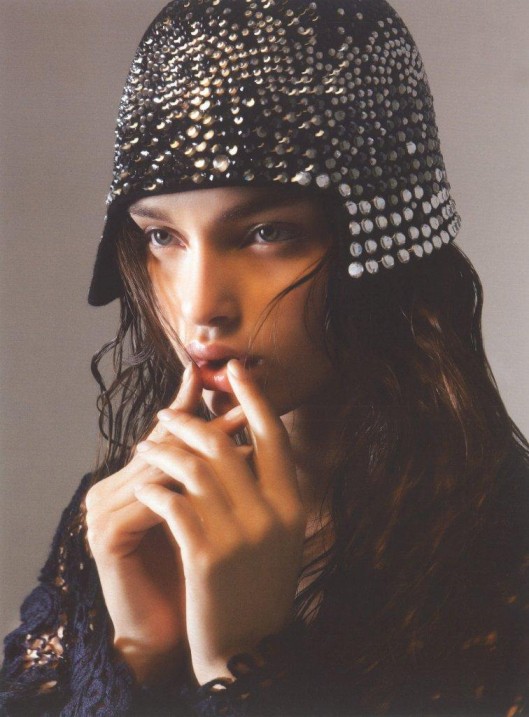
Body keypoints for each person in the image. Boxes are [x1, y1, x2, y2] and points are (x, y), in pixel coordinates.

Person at [1, 0, 528, 715]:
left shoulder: (506, 552)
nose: (200, 306)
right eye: (161, 237)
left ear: (386, 248)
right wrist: (136, 656)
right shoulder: (127, 519)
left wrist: (241, 666)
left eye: (266, 232)